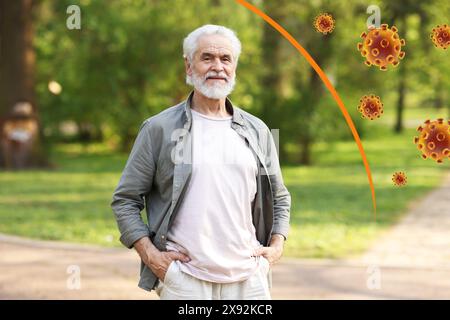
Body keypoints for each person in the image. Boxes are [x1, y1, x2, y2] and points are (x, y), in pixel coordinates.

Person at [111, 24, 291, 300]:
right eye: (207, 57)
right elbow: (125, 199)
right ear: (188, 65)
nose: (217, 66)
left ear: (234, 67)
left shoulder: (259, 130)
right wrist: (153, 258)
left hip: (250, 278)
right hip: (185, 279)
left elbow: (280, 197)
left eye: (225, 59)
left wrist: (276, 247)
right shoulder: (158, 128)